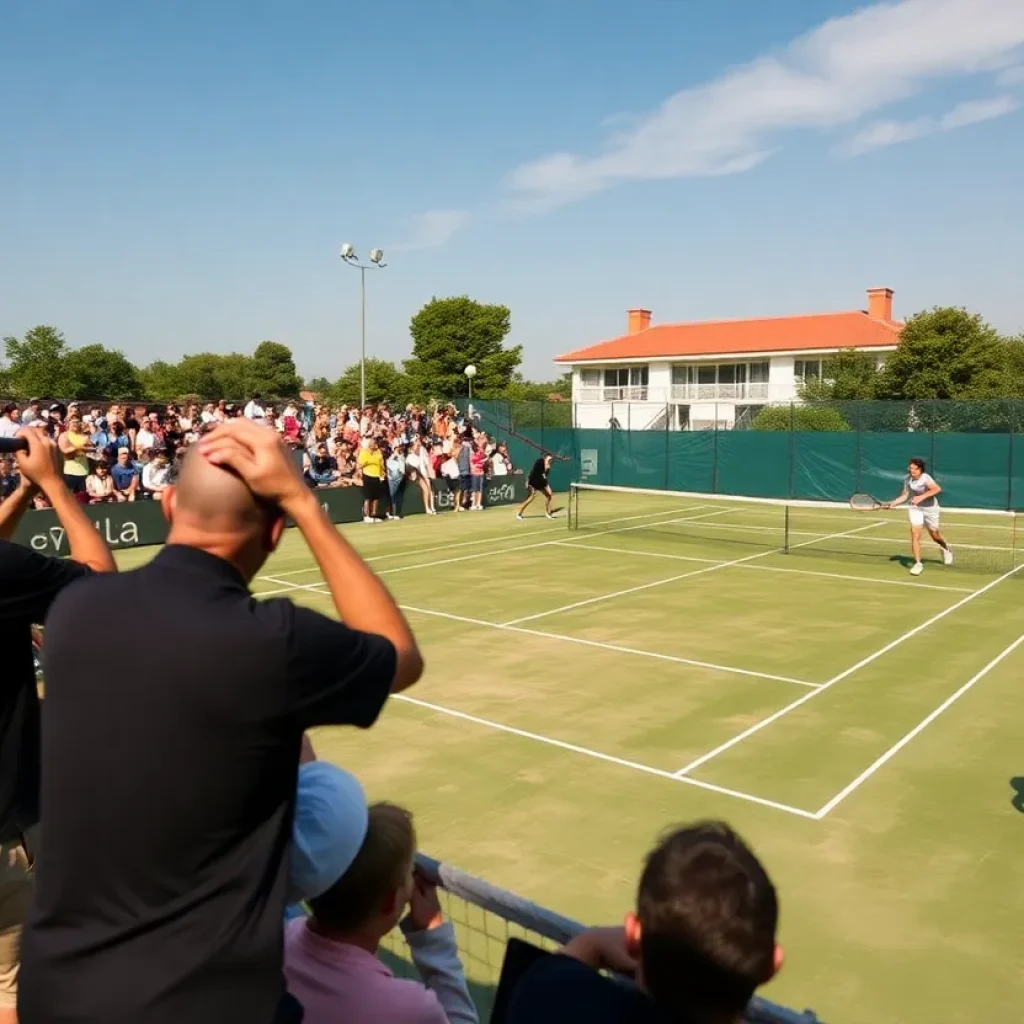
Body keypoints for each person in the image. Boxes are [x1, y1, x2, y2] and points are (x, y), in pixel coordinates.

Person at [18, 418, 424, 1024]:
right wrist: (307, 503)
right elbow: (400, 655)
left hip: (55, 993)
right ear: (277, 530)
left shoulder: (75, 612)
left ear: (168, 500)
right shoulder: (273, 643)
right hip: (199, 1003)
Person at [0, 429, 116, 1024]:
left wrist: (19, 498)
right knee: (17, 993)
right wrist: (52, 486)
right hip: (7, 835)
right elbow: (101, 586)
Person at [505, 821, 782, 1024]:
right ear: (772, 964)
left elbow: (556, 971)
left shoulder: (547, 995)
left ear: (633, 937)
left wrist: (592, 942)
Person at [284, 802, 478, 1024]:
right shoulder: (410, 1008)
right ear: (390, 901)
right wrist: (431, 940)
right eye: (408, 876)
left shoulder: (277, 942)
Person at [887, 457, 953, 576]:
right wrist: (893, 503)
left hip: (930, 509)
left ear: (920, 470)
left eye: (914, 469)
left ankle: (946, 548)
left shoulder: (925, 478)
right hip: (915, 508)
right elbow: (905, 495)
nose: (911, 471)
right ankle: (918, 563)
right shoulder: (908, 480)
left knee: (935, 535)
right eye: (910, 468)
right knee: (915, 533)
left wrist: (921, 497)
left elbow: (937, 489)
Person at [516, 454, 555, 520]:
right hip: (533, 482)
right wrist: (528, 481)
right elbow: (533, 471)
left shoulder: (548, 467)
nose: (550, 461)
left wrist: (546, 485)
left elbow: (544, 477)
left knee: (549, 496)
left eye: (551, 460)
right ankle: (519, 514)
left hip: (541, 483)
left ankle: (547, 513)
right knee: (531, 498)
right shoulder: (539, 462)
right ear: (545, 458)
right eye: (549, 459)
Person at [358, 436, 385, 523]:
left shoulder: (378, 452)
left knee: (376, 497)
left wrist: (382, 475)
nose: (375, 445)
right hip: (367, 476)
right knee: (368, 497)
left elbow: (381, 464)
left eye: (375, 443)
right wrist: (369, 461)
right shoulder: (364, 452)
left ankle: (374, 515)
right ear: (370, 445)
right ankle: (367, 516)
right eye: (374, 443)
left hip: (377, 476)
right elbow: (360, 465)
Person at [405, 439, 436, 515]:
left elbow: (424, 463)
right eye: (416, 446)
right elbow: (409, 469)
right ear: (411, 448)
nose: (417, 447)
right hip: (416, 476)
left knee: (427, 490)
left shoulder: (418, 455)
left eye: (418, 446)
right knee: (426, 489)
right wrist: (413, 475)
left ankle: (428, 508)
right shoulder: (410, 457)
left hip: (421, 474)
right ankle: (427, 508)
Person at [385, 444, 407, 520]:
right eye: (396, 449)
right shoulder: (389, 458)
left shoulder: (402, 457)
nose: (398, 450)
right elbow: (388, 467)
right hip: (390, 479)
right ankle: (391, 513)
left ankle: (394, 513)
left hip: (399, 479)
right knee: (392, 495)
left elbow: (402, 468)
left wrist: (398, 455)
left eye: (399, 449)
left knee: (395, 496)